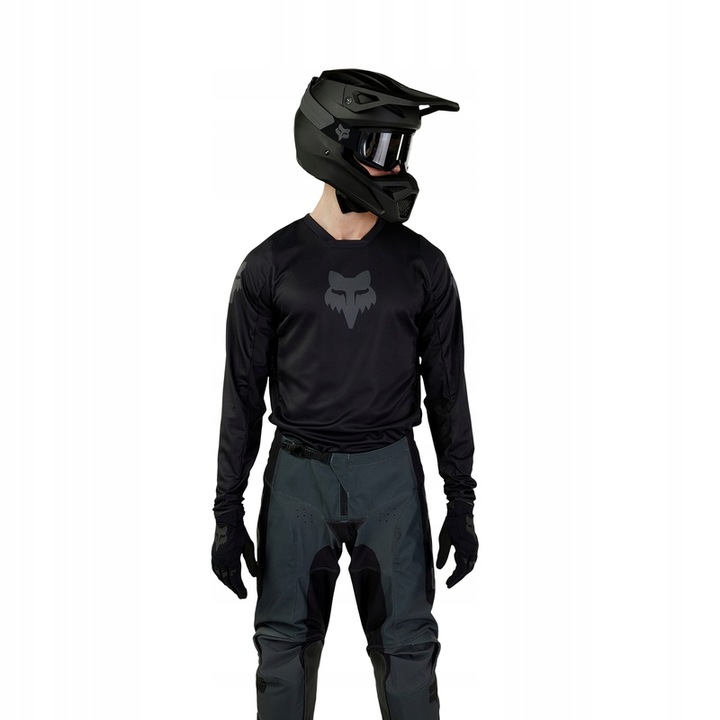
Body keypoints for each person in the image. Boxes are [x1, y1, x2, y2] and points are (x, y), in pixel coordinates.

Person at [211, 68, 479, 720]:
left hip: (390, 475)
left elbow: (448, 391)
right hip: (297, 477)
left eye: (402, 149)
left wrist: (461, 500)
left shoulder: (424, 266)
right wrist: (226, 510)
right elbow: (241, 395)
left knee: (409, 652)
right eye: (382, 148)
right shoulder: (269, 267)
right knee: (282, 652)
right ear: (333, 145)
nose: (396, 168)